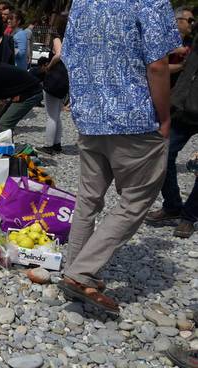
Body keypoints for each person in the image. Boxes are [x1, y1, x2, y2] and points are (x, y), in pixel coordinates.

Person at [58, 0, 180, 314]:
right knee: (136, 200)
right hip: (134, 119)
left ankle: (75, 269)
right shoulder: (150, 2)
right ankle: (80, 272)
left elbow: (69, 56)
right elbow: (157, 64)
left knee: (88, 198)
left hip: (91, 118)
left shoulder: (84, 3)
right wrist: (164, 117)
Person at [145, 36, 198, 239]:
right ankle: (173, 205)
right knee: (163, 156)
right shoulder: (191, 43)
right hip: (183, 108)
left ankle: (189, 216)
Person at [36, 16, 68, 155]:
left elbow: (58, 54)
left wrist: (49, 66)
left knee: (51, 115)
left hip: (54, 78)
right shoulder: (71, 39)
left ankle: (48, 145)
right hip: (64, 79)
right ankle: (57, 144)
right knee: (57, 114)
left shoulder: (57, 38)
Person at [169, 6, 194, 87]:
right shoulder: (162, 38)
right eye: (190, 20)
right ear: (178, 21)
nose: (192, 24)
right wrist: (183, 65)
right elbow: (160, 68)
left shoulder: (192, 42)